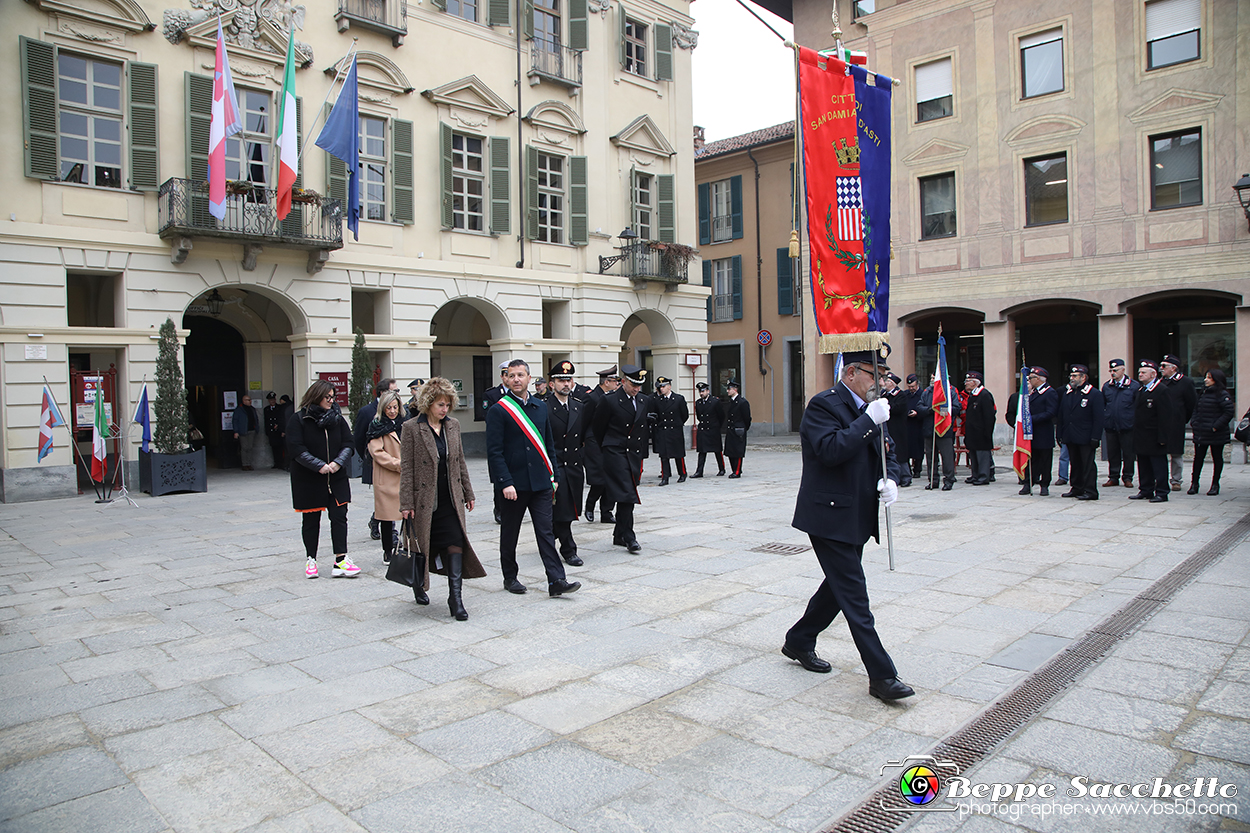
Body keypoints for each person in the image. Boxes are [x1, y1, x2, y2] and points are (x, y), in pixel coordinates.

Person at [782, 351, 913, 701]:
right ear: (852, 372)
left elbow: (889, 451)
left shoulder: (873, 406)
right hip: (828, 515)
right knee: (855, 595)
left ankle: (798, 639)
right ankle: (882, 676)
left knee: (837, 588)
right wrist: (868, 420)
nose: (881, 382)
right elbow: (830, 450)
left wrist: (892, 479)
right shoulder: (823, 405)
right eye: (875, 374)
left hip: (857, 512)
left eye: (884, 375)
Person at [486, 360, 581, 597]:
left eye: (521, 375)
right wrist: (505, 483)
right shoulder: (499, 410)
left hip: (540, 482)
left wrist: (555, 476)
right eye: (511, 375)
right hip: (513, 485)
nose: (516, 379)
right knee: (510, 532)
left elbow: (549, 444)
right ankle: (510, 577)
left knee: (545, 532)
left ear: (529, 378)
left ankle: (556, 580)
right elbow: (494, 452)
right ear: (505, 380)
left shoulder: (540, 407)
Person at [400, 378, 485, 619]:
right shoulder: (411, 428)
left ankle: (455, 598)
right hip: (424, 499)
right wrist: (406, 503)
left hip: (451, 497)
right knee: (423, 545)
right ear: (428, 403)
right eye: (440, 404)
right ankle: (418, 584)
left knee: (455, 542)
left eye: (447, 404)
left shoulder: (453, 425)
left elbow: (459, 461)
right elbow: (406, 467)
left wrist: (468, 492)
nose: (444, 409)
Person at [286, 380, 358, 579]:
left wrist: (337, 463)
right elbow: (296, 448)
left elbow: (348, 442)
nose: (331, 401)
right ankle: (311, 559)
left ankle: (341, 559)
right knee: (311, 520)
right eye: (328, 397)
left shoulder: (337, 418)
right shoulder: (299, 419)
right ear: (316, 396)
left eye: (333, 397)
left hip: (336, 478)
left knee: (339, 516)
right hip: (309, 479)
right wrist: (318, 466)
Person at [590, 364, 651, 554]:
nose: (636, 389)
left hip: (633, 453)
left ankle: (618, 534)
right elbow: (598, 427)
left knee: (628, 492)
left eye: (639, 385)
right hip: (615, 451)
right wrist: (608, 446)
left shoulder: (643, 400)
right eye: (633, 384)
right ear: (623, 382)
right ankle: (629, 536)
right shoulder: (610, 400)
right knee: (627, 493)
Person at [545, 361, 586, 566]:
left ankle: (548, 539)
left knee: (570, 509)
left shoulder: (579, 406)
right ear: (552, 384)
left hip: (575, 467)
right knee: (562, 510)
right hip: (556, 467)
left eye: (569, 380)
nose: (566, 384)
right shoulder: (544, 408)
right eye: (561, 380)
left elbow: (587, 437)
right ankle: (569, 549)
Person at [355, 378, 399, 541]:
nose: (397, 394)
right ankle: (389, 532)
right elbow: (359, 439)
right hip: (378, 464)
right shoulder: (367, 412)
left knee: (392, 499)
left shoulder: (399, 412)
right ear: (382, 393)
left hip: (397, 464)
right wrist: (369, 459)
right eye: (393, 391)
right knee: (386, 499)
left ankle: (376, 521)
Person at [366, 391, 406, 568]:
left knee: (407, 511)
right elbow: (377, 452)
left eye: (395, 407)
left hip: (404, 474)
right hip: (387, 475)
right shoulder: (376, 425)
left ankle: (405, 545)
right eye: (389, 408)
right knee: (386, 516)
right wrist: (397, 463)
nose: (392, 411)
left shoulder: (404, 423)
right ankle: (387, 550)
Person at [1056, 364, 1105, 500]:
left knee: (1087, 464)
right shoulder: (1068, 393)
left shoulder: (1094, 394)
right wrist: (1060, 433)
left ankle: (1090, 490)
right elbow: (1062, 416)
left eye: (1075, 376)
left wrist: (1096, 437)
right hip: (1070, 435)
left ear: (1084, 377)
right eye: (1071, 376)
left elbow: (1098, 418)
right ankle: (1077, 488)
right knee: (1075, 463)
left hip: (1086, 436)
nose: (1071, 378)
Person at [1007, 367, 1059, 496]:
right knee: (1031, 460)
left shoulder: (1049, 392)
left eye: (1031, 378)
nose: (1028, 380)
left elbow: (1051, 412)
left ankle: (1044, 484)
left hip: (1043, 432)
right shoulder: (1032, 393)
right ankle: (1028, 483)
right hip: (1030, 433)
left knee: (1045, 461)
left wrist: (1030, 419)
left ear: (1039, 379)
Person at [1130, 360, 1174, 503]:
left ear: (1153, 374)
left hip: (1155, 435)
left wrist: (1163, 437)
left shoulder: (1161, 390)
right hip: (1141, 435)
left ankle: (1161, 492)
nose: (1140, 375)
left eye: (1143, 373)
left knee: (1158, 465)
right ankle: (1146, 489)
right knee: (1143, 464)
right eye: (1139, 373)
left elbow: (1166, 416)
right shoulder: (1141, 390)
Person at [1188, 368, 1234, 496]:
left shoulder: (1223, 395)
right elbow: (1196, 408)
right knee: (1198, 459)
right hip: (1201, 431)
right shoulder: (1203, 392)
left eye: (1209, 377)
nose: (1205, 380)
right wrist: (1195, 422)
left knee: (1217, 458)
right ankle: (1194, 484)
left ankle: (1215, 484)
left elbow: (1229, 412)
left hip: (1215, 433)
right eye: (1206, 377)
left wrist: (1215, 426)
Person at [583, 366, 620, 523]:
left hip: (609, 442)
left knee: (611, 478)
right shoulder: (592, 398)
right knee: (599, 479)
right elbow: (584, 421)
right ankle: (590, 505)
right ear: (606, 382)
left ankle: (607, 512)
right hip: (593, 443)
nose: (617, 384)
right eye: (614, 381)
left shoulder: (614, 397)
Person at [916, 372, 961, 490]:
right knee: (931, 457)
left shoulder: (950, 393)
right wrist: (930, 410)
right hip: (929, 429)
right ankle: (933, 480)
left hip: (944, 429)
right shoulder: (927, 392)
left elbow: (956, 408)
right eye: (931, 378)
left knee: (947, 457)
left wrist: (943, 409)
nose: (932, 380)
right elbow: (919, 408)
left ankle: (949, 480)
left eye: (934, 378)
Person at [1160, 355, 1197, 491]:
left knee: (1176, 453)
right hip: (1162, 423)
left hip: (1176, 422)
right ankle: (1161, 478)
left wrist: (1183, 419)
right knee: (1160, 452)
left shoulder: (1185, 382)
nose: (1161, 369)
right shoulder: (1160, 382)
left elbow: (1191, 403)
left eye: (1164, 366)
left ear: (1173, 368)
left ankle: (1176, 480)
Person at [1101, 359, 1139, 488]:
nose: (1113, 373)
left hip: (1127, 425)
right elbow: (1104, 404)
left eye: (1115, 370)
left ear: (1123, 370)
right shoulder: (1107, 386)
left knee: (1128, 453)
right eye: (1111, 370)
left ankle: (1128, 477)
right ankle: (1113, 477)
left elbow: (1137, 405)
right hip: (1111, 425)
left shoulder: (1133, 386)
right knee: (1113, 453)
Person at [483, 361, 511, 524]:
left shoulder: (520, 394)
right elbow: (489, 418)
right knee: (499, 478)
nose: (510, 378)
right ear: (502, 377)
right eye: (507, 375)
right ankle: (499, 509)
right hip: (500, 441)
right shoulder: (492, 395)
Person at [650, 376, 689, 485]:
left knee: (678, 454)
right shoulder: (658, 400)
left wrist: (677, 424)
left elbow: (684, 415)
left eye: (664, 386)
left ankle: (682, 473)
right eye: (660, 387)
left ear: (669, 386)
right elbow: (656, 415)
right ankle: (665, 477)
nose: (661, 389)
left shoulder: (678, 399)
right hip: (663, 430)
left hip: (675, 430)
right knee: (664, 455)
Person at [961, 371, 996, 486]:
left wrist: (987, 432)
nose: (965, 384)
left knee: (982, 456)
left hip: (981, 433)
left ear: (975, 382)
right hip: (972, 433)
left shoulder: (984, 395)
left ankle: (983, 476)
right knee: (974, 455)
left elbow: (989, 416)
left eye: (968, 381)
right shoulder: (973, 395)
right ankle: (975, 474)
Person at [880, 374, 912, 487]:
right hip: (887, 427)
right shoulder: (883, 395)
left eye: (887, 381)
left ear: (893, 383)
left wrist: (886, 406)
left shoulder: (900, 395)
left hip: (898, 428)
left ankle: (906, 476)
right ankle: (894, 477)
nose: (885, 383)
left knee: (900, 453)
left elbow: (897, 409)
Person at [692, 381, 725, 477]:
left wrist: (717, 426)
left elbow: (721, 416)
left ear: (708, 391)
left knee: (717, 450)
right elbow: (699, 416)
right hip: (703, 429)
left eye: (703, 391)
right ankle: (699, 471)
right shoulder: (698, 403)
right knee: (702, 451)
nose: (701, 393)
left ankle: (721, 469)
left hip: (713, 428)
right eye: (700, 392)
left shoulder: (715, 401)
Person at [723, 380, 751, 478]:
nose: (727, 391)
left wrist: (743, 428)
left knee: (738, 451)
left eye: (729, 389)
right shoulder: (731, 402)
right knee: (730, 451)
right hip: (731, 429)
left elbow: (747, 418)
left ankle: (737, 471)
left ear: (735, 389)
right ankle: (734, 469)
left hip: (738, 430)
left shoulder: (742, 402)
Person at [904, 374, 925, 479]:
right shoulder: (905, 394)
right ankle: (908, 470)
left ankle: (917, 469)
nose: (911, 389)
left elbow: (925, 408)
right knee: (906, 449)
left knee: (918, 449)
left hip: (918, 425)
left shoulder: (923, 394)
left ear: (917, 384)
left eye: (913, 387)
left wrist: (917, 413)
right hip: (907, 425)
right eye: (909, 387)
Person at [231, 393, 260, 471]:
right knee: (244, 448)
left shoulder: (252, 409)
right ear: (243, 401)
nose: (250, 401)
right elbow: (235, 421)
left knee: (250, 448)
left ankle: (249, 464)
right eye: (248, 400)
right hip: (243, 431)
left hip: (252, 430)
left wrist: (257, 428)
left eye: (250, 400)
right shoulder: (239, 409)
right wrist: (236, 431)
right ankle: (244, 464)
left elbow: (255, 419)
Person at [263, 392, 287, 470]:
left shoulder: (279, 408)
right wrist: (267, 431)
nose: (272, 401)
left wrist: (279, 427)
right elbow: (266, 421)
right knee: (274, 448)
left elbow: (281, 419)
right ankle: (276, 462)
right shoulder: (266, 409)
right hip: (271, 432)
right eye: (270, 400)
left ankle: (281, 463)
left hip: (278, 431)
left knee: (280, 447)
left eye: (273, 399)